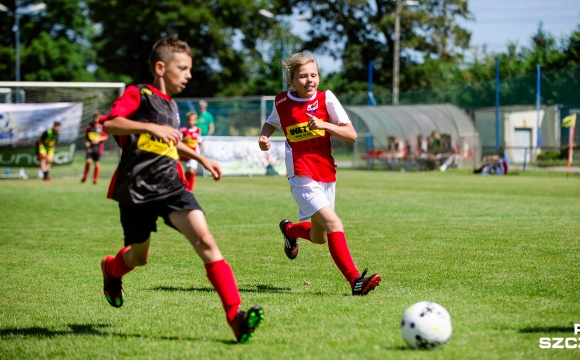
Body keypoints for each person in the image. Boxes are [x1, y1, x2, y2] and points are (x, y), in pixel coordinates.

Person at [98, 35, 263, 343]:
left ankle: (235, 318)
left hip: (172, 186)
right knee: (139, 257)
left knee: (206, 242)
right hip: (136, 189)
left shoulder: (172, 107)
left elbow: (171, 145)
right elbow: (110, 124)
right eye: (183, 68)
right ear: (161, 67)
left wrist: (201, 157)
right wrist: (149, 126)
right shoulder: (140, 94)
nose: (189, 75)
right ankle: (112, 270)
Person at [258, 52, 381, 296]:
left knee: (320, 236)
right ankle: (355, 280)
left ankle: (290, 230)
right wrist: (264, 137)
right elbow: (272, 121)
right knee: (334, 222)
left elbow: (351, 134)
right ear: (292, 80)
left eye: (313, 75)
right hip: (301, 174)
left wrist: (326, 125)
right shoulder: (282, 102)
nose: (309, 80)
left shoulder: (327, 99)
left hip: (325, 171)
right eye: (302, 76)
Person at [82, 111, 108, 184]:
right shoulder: (89, 126)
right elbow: (86, 136)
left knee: (96, 163)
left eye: (98, 118)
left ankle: (95, 179)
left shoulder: (102, 127)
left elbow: (105, 137)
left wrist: (99, 139)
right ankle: (85, 177)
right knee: (88, 161)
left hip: (98, 148)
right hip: (90, 147)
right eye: (95, 118)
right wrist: (87, 142)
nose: (96, 119)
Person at [179, 111, 203, 191]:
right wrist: (184, 139)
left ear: (196, 121)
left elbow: (199, 140)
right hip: (184, 154)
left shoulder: (198, 130)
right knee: (185, 172)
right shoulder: (183, 130)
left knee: (192, 171)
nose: (191, 122)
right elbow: (177, 142)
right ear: (186, 120)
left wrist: (202, 146)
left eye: (192, 120)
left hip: (193, 154)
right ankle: (186, 187)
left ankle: (190, 189)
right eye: (189, 120)